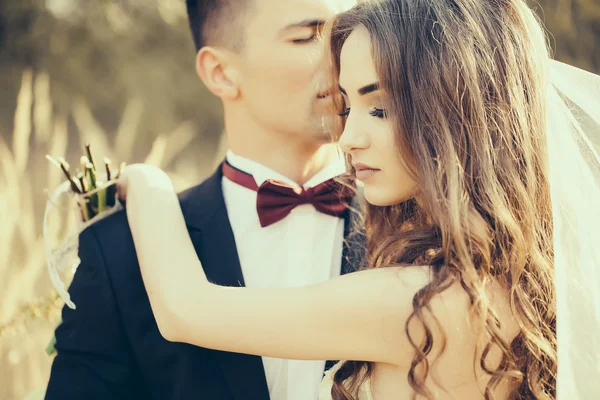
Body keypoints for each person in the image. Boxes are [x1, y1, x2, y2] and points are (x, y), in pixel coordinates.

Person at [120, 0, 600, 398]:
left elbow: (186, 310)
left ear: (454, 110)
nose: (347, 137)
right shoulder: (531, 283)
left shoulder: (417, 303)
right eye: (349, 106)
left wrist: (145, 182)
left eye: (379, 107)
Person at [45, 0, 359, 399]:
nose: (343, 53)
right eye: (307, 37)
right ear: (221, 72)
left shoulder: (425, 231)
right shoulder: (120, 249)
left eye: (344, 32)